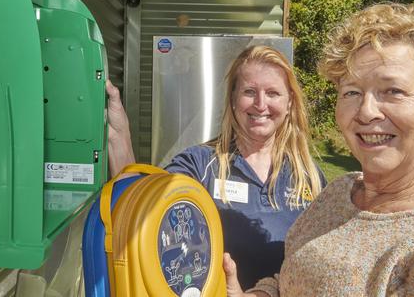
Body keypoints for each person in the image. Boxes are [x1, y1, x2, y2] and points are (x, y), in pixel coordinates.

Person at [224, 2, 414, 296]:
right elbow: (295, 278)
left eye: (393, 91)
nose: (366, 112)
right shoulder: (341, 193)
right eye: (352, 92)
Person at [106, 45, 327, 289]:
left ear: (289, 103)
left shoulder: (309, 176)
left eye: (273, 93)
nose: (260, 104)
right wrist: (119, 135)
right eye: (250, 91)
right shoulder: (201, 164)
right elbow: (140, 206)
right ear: (233, 100)